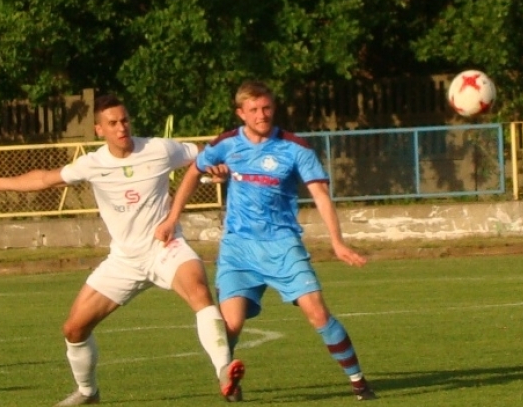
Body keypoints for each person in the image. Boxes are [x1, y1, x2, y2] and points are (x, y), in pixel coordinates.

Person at [0, 94, 244, 406]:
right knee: (74, 328)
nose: (122, 128)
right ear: (99, 130)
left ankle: (224, 370)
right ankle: (88, 392)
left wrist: (216, 165)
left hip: (164, 247)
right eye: (113, 123)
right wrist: (0, 183)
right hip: (124, 260)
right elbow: (45, 179)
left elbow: (202, 155)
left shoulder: (158, 149)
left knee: (199, 291)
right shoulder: (93, 163)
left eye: (125, 120)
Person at [156, 80, 377, 401]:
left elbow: (321, 195)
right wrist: (173, 217)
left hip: (283, 245)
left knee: (317, 313)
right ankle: (228, 382)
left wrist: (337, 242)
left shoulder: (295, 148)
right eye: (255, 110)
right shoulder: (226, 144)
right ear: (241, 113)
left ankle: (358, 380)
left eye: (267, 108)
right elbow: (193, 171)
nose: (262, 115)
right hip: (238, 249)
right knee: (229, 325)